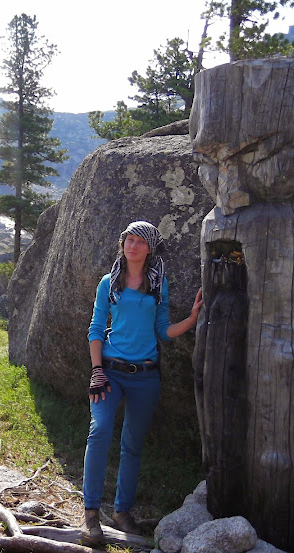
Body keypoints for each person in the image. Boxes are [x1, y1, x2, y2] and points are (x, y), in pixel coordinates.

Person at [81, 220, 203, 545]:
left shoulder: (157, 284)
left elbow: (162, 330)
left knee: (132, 445)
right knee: (99, 432)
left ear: (149, 248)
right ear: (122, 245)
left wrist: (191, 319)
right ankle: (90, 514)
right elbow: (95, 329)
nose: (132, 245)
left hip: (146, 376)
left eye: (139, 241)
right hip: (108, 371)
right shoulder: (108, 282)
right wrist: (96, 370)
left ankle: (122, 513)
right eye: (128, 239)